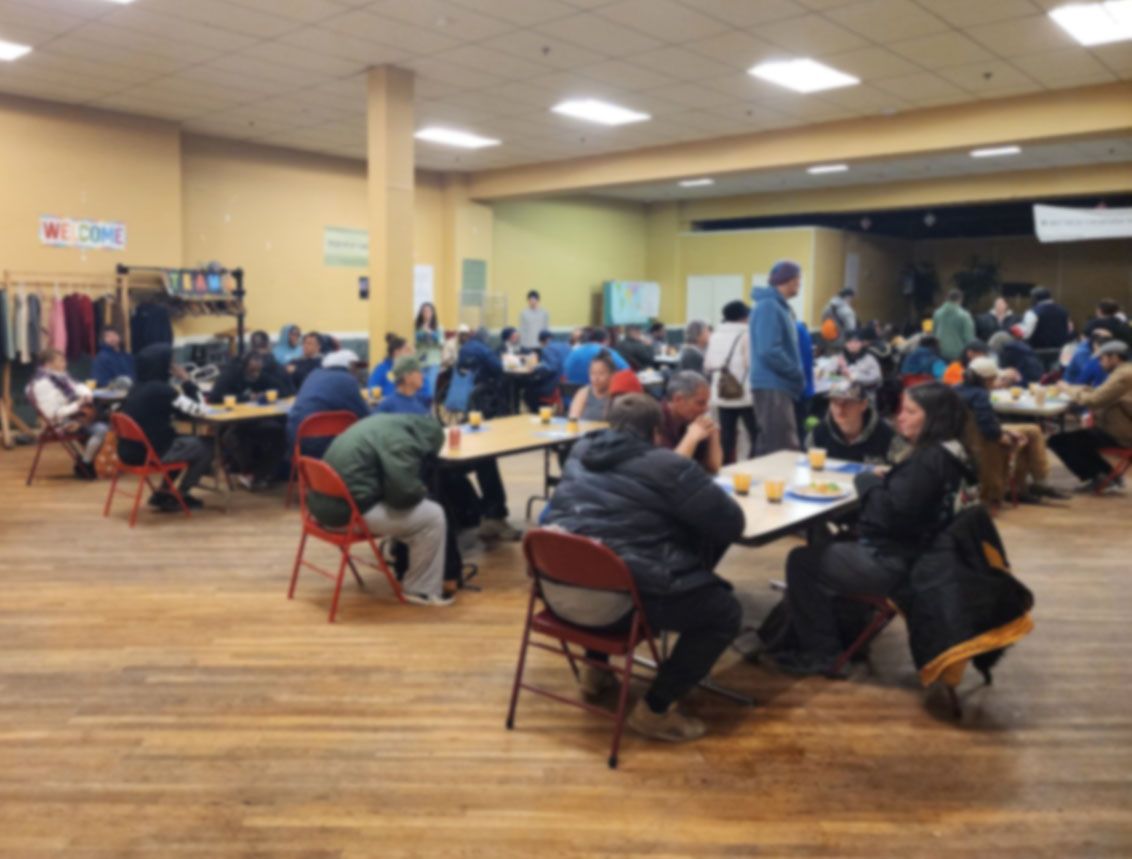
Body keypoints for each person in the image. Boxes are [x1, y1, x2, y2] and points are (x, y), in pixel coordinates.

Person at [543, 394, 745, 742]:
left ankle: (596, 669)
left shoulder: (580, 451)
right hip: (616, 604)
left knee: (603, 553)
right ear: (656, 432)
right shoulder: (667, 466)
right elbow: (730, 523)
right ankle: (655, 709)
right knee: (723, 612)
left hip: (557, 592)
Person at [776, 383, 978, 676]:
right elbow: (910, 505)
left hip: (905, 564)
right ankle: (845, 630)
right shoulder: (956, 452)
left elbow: (882, 518)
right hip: (939, 559)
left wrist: (868, 483)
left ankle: (822, 654)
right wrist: (892, 480)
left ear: (935, 417)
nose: (900, 418)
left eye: (910, 411)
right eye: (901, 410)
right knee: (837, 542)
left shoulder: (927, 461)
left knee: (801, 561)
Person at [308, 414, 452, 606]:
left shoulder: (383, 422)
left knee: (406, 506)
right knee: (433, 515)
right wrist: (422, 488)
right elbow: (403, 496)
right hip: (346, 516)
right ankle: (421, 589)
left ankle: (402, 557)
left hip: (320, 508)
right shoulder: (402, 443)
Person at [379, 355, 519, 542]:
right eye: (418, 372)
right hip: (420, 465)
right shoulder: (388, 406)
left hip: (438, 455)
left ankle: (494, 517)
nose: (422, 376)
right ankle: (490, 515)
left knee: (485, 458)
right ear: (407, 377)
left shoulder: (419, 401)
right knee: (479, 463)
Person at [955, 357, 1064, 504]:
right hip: (982, 439)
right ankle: (1038, 481)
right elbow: (987, 425)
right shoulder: (980, 395)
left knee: (1031, 431)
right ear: (987, 379)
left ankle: (1027, 485)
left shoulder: (956, 389)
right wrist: (1002, 435)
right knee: (1030, 434)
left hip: (967, 436)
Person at [118, 343, 212, 510]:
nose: (173, 366)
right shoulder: (162, 390)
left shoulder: (137, 387)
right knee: (206, 445)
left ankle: (164, 493)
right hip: (150, 453)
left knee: (179, 441)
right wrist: (187, 380)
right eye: (170, 362)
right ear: (161, 365)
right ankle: (182, 493)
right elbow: (199, 411)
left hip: (129, 451)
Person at [1050, 341, 1132, 491]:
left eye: (1102, 359)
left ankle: (1098, 477)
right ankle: (1108, 476)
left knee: (1057, 441)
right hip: (1121, 428)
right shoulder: (1124, 372)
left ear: (1114, 357)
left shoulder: (1124, 376)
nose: (1100, 363)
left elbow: (1093, 400)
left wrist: (1068, 389)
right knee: (1075, 439)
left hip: (1122, 433)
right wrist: (1076, 389)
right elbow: (1100, 392)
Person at [208, 352, 290, 489]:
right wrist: (245, 398)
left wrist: (265, 395)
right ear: (245, 363)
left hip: (254, 418)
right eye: (255, 360)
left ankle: (257, 474)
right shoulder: (231, 374)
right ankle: (251, 472)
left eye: (261, 361)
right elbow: (215, 397)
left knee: (281, 434)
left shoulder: (260, 375)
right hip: (232, 420)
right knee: (234, 436)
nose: (259, 364)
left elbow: (284, 390)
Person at [749, 260, 806, 455]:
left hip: (776, 384)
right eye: (799, 279)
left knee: (770, 445)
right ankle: (778, 485)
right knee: (782, 448)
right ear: (789, 280)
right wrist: (795, 371)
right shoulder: (769, 306)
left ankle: (760, 484)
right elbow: (768, 350)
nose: (800, 283)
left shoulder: (777, 306)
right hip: (773, 384)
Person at [27, 348, 109, 480]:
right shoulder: (42, 384)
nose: (65, 363)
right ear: (48, 364)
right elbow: (52, 413)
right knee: (103, 427)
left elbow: (77, 386)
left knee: (105, 420)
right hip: (60, 423)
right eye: (60, 360)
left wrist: (86, 394)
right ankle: (86, 463)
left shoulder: (61, 376)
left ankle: (85, 462)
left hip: (72, 415)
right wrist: (78, 404)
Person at [286, 349, 370, 460]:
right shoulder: (347, 380)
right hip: (322, 444)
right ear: (349, 367)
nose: (357, 372)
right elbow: (364, 416)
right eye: (356, 368)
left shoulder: (313, 374)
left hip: (296, 440)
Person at [704, 300, 756, 464]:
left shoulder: (715, 336)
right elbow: (751, 364)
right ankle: (755, 464)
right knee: (755, 433)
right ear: (744, 317)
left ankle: (725, 469)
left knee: (726, 435)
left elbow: (708, 365)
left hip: (722, 392)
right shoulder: (747, 335)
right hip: (744, 392)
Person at [805, 380, 904, 465]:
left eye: (847, 403)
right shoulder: (818, 435)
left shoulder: (886, 436)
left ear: (863, 405)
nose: (840, 409)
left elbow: (903, 473)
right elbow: (805, 466)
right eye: (835, 402)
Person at [658, 371, 723, 474]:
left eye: (707, 403)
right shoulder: (655, 420)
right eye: (700, 403)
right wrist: (691, 438)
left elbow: (714, 467)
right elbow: (670, 471)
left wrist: (713, 435)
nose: (706, 409)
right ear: (678, 399)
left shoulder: (691, 420)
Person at [523, 330, 570, 413]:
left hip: (554, 385)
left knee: (528, 392)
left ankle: (537, 414)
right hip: (566, 382)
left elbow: (551, 367)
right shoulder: (566, 346)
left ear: (543, 341)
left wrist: (535, 368)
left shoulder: (548, 348)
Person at [564, 329, 628, 384]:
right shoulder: (608, 352)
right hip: (602, 396)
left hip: (571, 396)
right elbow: (627, 373)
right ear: (606, 340)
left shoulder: (573, 354)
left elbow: (563, 374)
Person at [569, 351, 616, 421]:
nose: (596, 378)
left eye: (601, 373)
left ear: (612, 374)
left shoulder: (615, 395)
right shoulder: (584, 393)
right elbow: (573, 419)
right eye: (592, 373)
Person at [931, 290, 976, 362]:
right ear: (960, 300)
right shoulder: (964, 315)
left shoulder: (937, 313)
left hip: (940, 353)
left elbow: (933, 334)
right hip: (958, 354)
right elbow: (969, 338)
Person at [368, 333, 415, 398]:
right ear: (397, 352)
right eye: (407, 350)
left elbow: (424, 393)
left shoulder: (413, 371)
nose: (411, 353)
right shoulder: (382, 369)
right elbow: (372, 391)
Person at [837, 330, 882, 395]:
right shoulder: (840, 357)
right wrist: (839, 376)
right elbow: (829, 376)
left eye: (856, 342)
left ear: (861, 343)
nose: (852, 345)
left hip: (865, 394)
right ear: (845, 344)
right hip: (841, 394)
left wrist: (855, 376)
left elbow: (877, 377)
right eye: (849, 342)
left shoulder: (869, 358)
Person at [819, 288, 857, 352]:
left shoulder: (827, 307)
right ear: (848, 297)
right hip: (841, 345)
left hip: (828, 343)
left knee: (830, 361)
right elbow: (851, 329)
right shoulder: (847, 311)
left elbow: (823, 321)